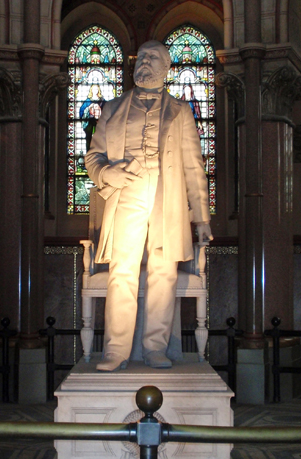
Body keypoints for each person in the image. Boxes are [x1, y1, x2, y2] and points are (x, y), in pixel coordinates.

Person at [85, 40, 212, 372]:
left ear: (167, 67)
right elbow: (92, 157)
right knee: (122, 272)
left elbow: (194, 167)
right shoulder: (111, 108)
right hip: (126, 194)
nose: (144, 62)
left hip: (166, 197)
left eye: (152, 57)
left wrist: (202, 217)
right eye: (141, 57)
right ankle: (115, 350)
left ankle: (155, 347)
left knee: (163, 272)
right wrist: (107, 172)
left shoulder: (181, 111)